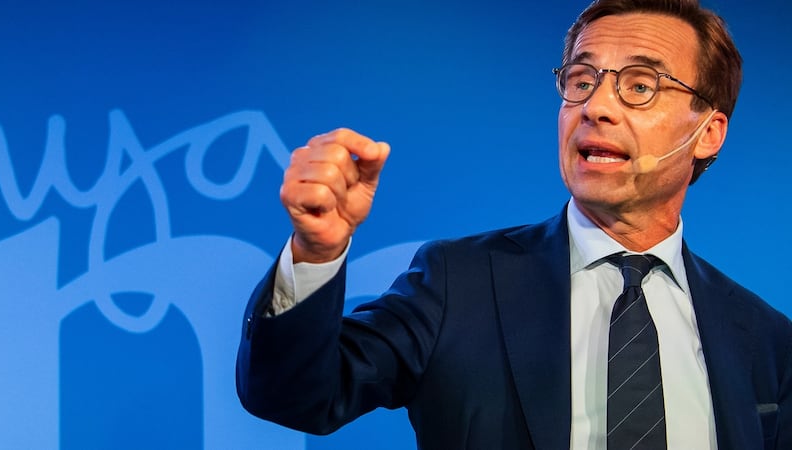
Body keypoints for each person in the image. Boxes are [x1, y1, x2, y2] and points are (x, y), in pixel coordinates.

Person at [236, 0, 791, 448]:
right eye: (581, 80)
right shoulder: (460, 282)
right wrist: (314, 253)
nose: (596, 106)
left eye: (641, 85)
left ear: (709, 132)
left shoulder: (765, 340)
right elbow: (293, 396)